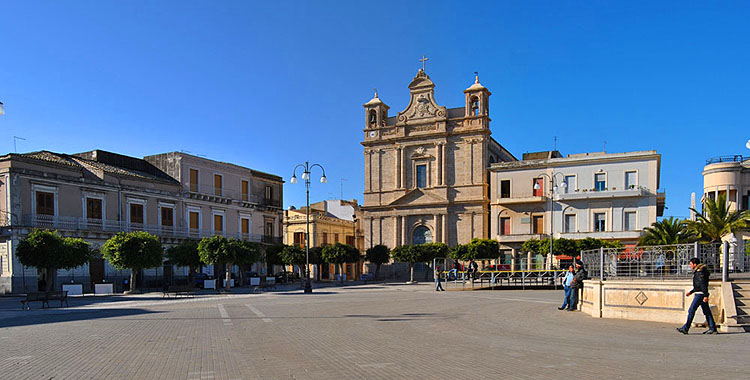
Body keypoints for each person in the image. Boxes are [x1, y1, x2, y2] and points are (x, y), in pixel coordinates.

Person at [676, 258, 717, 335]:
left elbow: (702, 285)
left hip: (700, 294)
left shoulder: (699, 272)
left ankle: (686, 328)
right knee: (707, 311)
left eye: (691, 264)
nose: (690, 265)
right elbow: (698, 285)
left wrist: (705, 295)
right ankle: (712, 328)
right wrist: (691, 292)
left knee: (691, 310)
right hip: (700, 293)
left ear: (695, 264)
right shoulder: (699, 272)